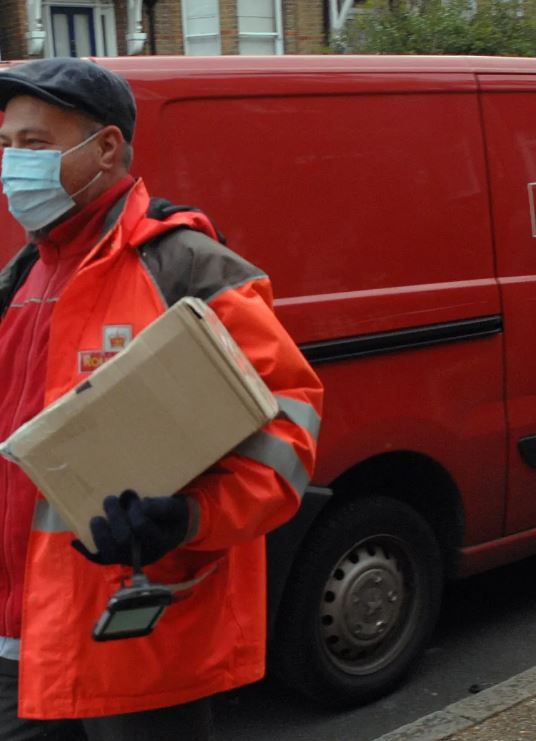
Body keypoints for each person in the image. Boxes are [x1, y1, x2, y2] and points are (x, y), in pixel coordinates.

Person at [0, 57, 323, 740]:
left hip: (130, 641)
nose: (11, 166)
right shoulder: (25, 272)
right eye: (5, 146)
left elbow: (289, 425)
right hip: (15, 635)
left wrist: (185, 518)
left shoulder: (185, 263)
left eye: (33, 145)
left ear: (107, 148)